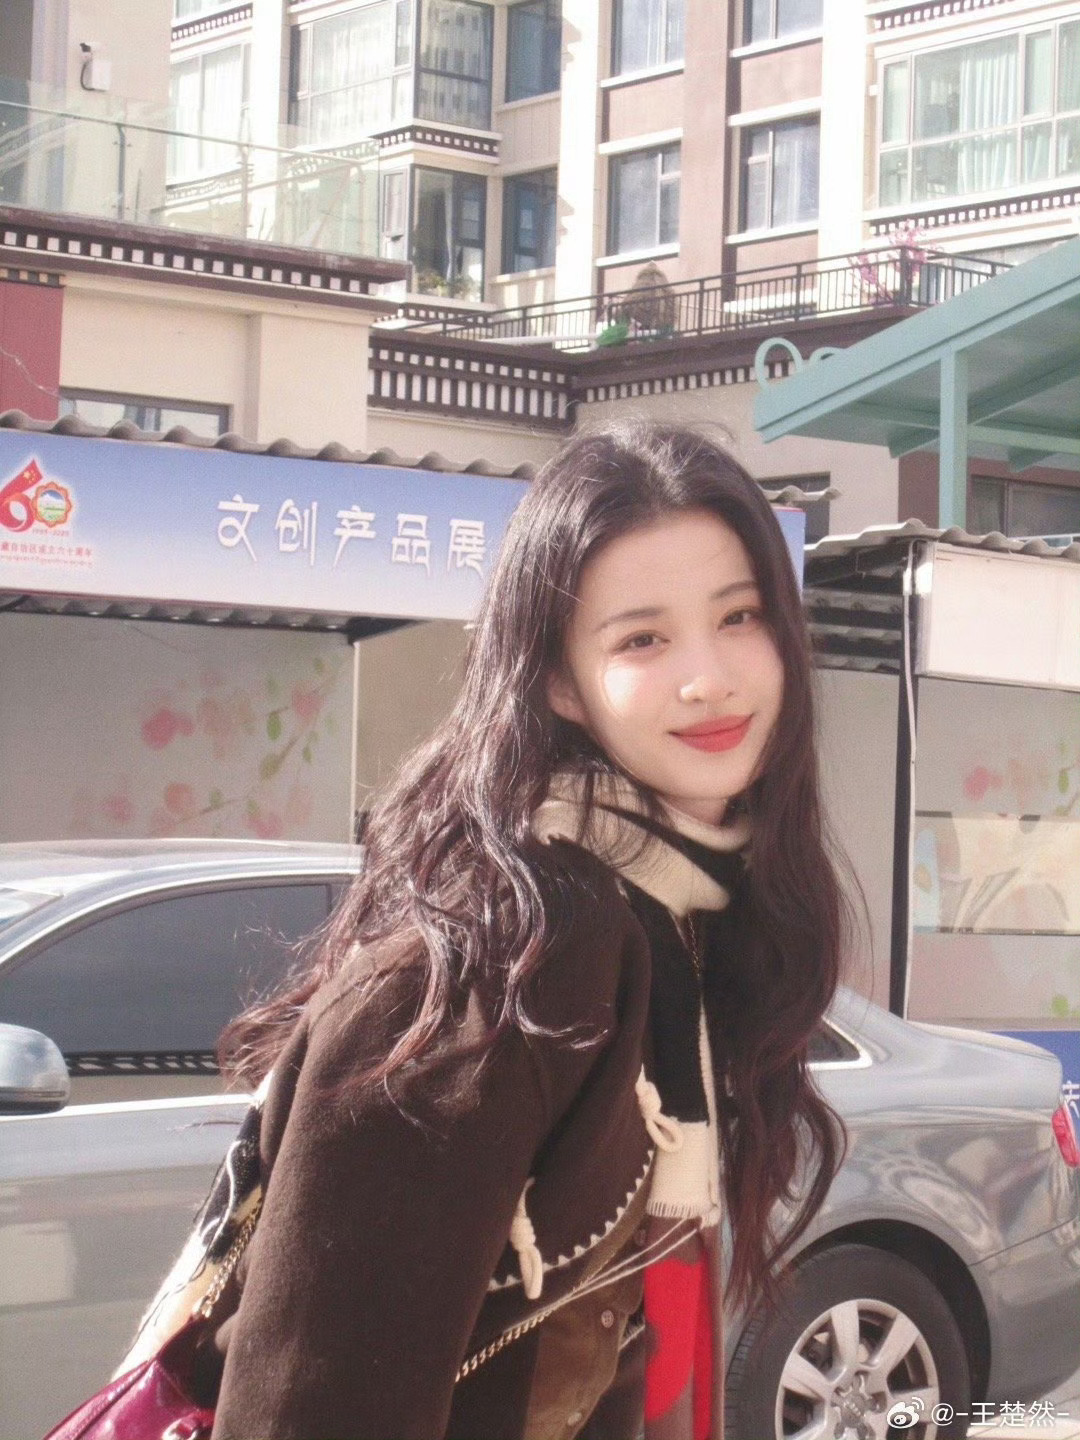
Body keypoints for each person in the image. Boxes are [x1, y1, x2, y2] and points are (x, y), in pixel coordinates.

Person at [125, 421, 849, 1440]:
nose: (709, 676)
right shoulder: (507, 955)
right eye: (642, 639)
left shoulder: (671, 918)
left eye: (740, 616)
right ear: (558, 681)